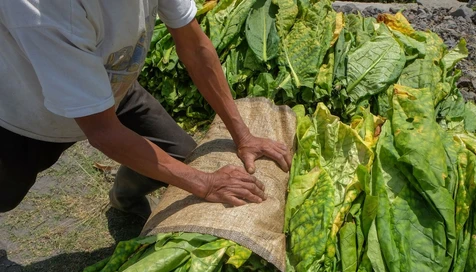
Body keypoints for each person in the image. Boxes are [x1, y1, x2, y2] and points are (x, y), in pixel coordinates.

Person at [0, 1, 292, 219]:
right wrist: (205, 183)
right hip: (26, 116)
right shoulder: (42, 10)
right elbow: (102, 132)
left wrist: (243, 136)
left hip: (114, 86)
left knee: (180, 153)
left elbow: (195, 48)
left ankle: (123, 199)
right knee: (6, 196)